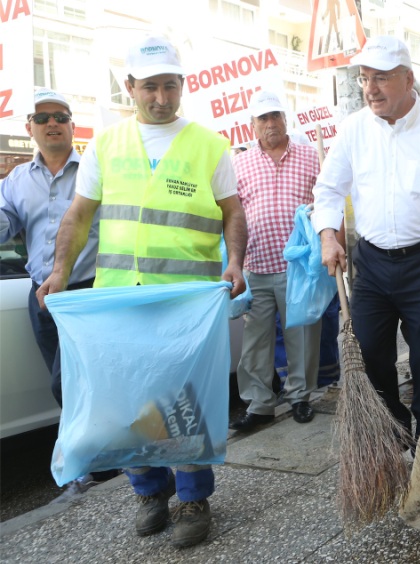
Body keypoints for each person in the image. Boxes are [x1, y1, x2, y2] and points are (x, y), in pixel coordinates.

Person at [36, 35, 248, 548]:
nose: (160, 98)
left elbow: (233, 211)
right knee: (130, 404)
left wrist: (236, 261)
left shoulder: (209, 145)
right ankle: (150, 493)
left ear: (183, 86)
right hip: (122, 301)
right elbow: (79, 214)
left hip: (185, 304)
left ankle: (194, 499)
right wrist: (60, 270)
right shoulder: (105, 145)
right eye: (149, 87)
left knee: (182, 406)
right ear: (129, 87)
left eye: (170, 86)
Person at [312, 36, 420, 441]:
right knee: (371, 353)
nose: (370, 89)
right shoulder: (354, 129)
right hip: (372, 263)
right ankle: (393, 438)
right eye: (364, 79)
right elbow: (327, 190)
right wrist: (327, 234)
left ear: (408, 78)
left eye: (381, 78)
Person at [0, 89, 122, 499]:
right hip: (41, 296)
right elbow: (5, 224)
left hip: (86, 292)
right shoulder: (17, 179)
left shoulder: (94, 169)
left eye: (61, 116)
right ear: (30, 127)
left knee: (67, 382)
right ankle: (105, 458)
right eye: (43, 117)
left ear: (72, 125)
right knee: (73, 380)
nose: (52, 123)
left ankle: (84, 465)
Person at [229, 90, 321, 432]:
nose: (270, 123)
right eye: (263, 118)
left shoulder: (310, 157)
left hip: (297, 267)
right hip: (255, 264)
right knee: (255, 341)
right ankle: (260, 404)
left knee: (302, 334)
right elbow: (232, 213)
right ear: (252, 126)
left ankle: (300, 397)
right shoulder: (239, 163)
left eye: (275, 116)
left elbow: (326, 204)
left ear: (286, 118)